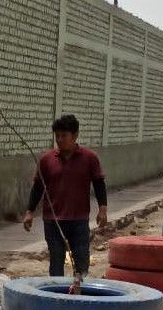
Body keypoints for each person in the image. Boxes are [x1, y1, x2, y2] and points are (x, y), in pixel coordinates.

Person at [22, 113, 108, 277]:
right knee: (56, 260)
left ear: (75, 135)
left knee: (81, 259)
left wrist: (102, 209)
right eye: (57, 136)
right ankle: (57, 295)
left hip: (79, 219)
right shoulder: (46, 160)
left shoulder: (89, 158)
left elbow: (98, 183)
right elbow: (38, 187)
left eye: (64, 135)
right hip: (53, 221)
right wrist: (29, 212)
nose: (60, 140)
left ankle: (79, 291)